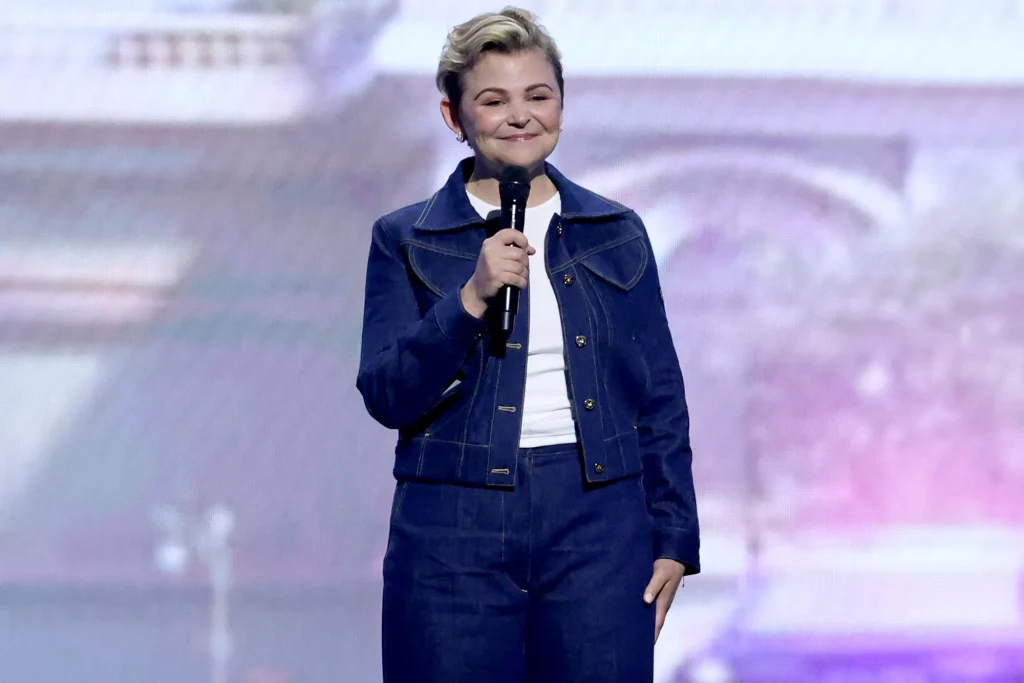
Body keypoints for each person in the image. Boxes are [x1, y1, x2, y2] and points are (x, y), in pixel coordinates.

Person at [357, 7, 699, 682]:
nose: (520, 116)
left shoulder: (616, 230)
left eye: (538, 96)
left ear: (561, 107)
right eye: (494, 100)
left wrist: (674, 536)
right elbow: (388, 392)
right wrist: (469, 300)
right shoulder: (406, 238)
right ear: (455, 118)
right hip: (454, 525)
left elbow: (658, 393)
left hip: (597, 519)